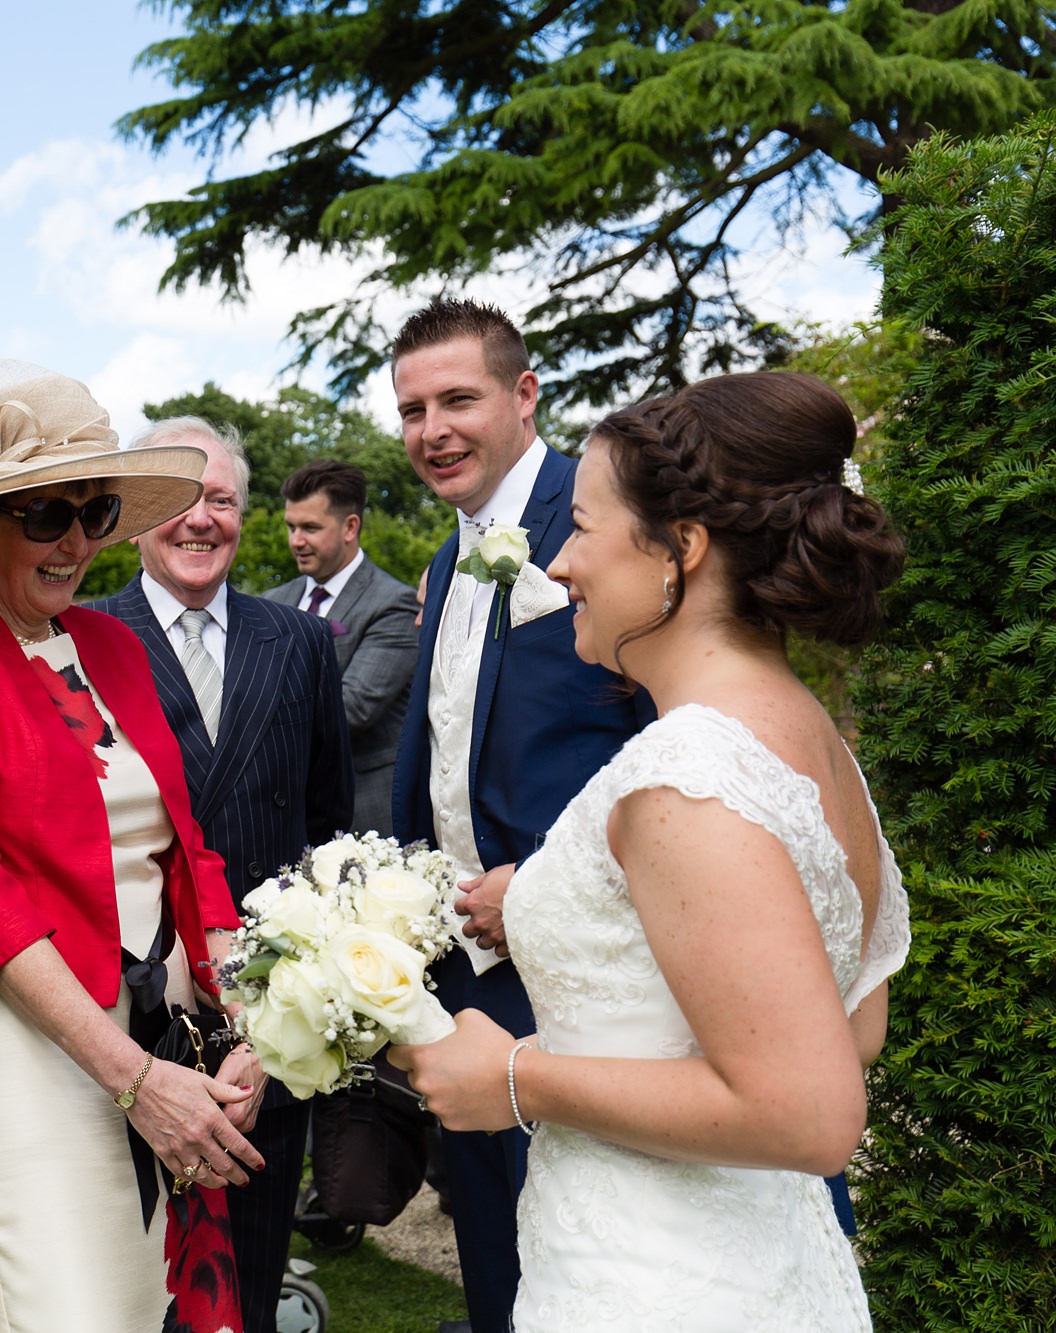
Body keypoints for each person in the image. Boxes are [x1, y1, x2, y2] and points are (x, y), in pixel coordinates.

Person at [389, 371, 909, 1331]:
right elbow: (852, 1027)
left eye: (583, 528)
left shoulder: (687, 773)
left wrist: (515, 1077)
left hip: (653, 1283)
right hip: (763, 1260)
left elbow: (810, 1111)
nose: (562, 566)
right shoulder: (809, 741)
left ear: (684, 550)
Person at [0, 363, 265, 1333]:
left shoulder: (111, 645)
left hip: (148, 1025)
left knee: (109, 1300)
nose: (75, 540)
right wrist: (125, 1070)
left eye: (94, 510)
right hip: (2, 1023)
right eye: (45, 515)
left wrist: (249, 1021)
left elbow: (187, 853)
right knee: (59, 1303)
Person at [386, 298, 652, 1333]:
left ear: (524, 393)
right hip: (466, 974)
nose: (431, 430)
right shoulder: (448, 556)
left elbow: (677, 749)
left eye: (457, 399)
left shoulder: (599, 527)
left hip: (591, 974)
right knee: (493, 1244)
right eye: (411, 410)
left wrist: (542, 887)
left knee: (597, 1240)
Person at [87, 416, 353, 1333]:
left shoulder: (303, 642)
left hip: (260, 1034)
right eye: (179, 498)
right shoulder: (80, 639)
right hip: (125, 1023)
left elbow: (328, 835)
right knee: (122, 1280)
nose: (201, 519)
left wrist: (289, 1016)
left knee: (248, 1267)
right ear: (132, 515)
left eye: (223, 499)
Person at [263, 459, 419, 836]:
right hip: (281, 818)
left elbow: (352, 708)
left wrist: (247, 723)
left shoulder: (394, 605)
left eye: (310, 528)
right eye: (291, 527)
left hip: (363, 816)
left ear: (351, 527)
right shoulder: (271, 601)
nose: (295, 541)